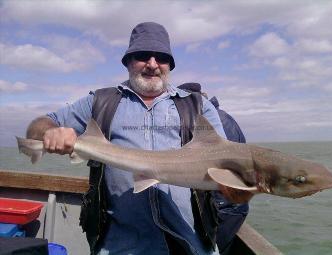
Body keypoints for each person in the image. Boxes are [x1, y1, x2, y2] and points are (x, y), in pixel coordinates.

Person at [26, 22, 252, 255]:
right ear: (128, 62)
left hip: (190, 245)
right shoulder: (101, 102)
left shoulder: (197, 106)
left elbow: (226, 161)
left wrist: (238, 189)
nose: (153, 64)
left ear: (170, 65)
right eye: (143, 56)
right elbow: (38, 125)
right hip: (118, 247)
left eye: (162, 58)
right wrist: (49, 132)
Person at [177, 83, 249, 254]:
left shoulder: (211, 121)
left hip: (224, 204)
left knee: (213, 247)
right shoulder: (223, 116)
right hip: (229, 202)